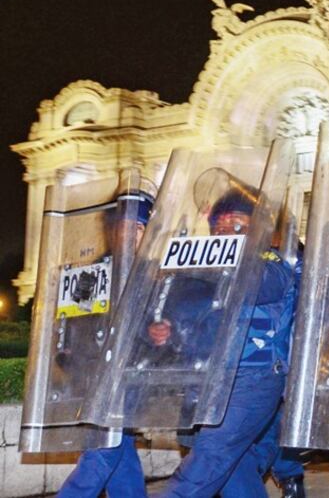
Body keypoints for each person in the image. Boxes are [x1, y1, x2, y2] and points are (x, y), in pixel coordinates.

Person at [157, 182, 301, 496]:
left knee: (205, 464)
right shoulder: (203, 267)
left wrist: (224, 259)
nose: (227, 231)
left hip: (253, 377)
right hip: (208, 380)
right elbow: (181, 317)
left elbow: (260, 286)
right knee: (235, 473)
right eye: (220, 224)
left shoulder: (272, 265)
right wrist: (166, 331)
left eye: (238, 224)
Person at [58, 189, 155, 498]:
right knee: (107, 451)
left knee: (117, 451)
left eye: (137, 228)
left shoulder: (154, 273)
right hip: (97, 380)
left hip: (131, 379)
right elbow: (70, 331)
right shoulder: (92, 274)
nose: (129, 235)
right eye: (123, 227)